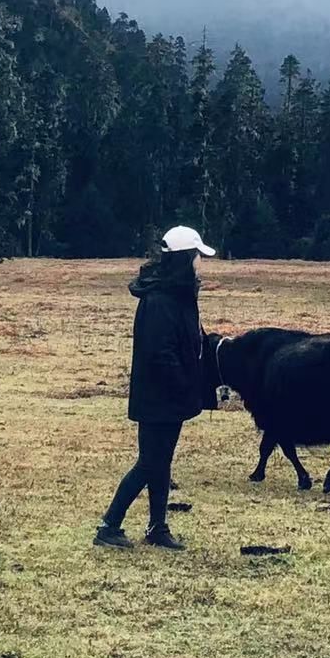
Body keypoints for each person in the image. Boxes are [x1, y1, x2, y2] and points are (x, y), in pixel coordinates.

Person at [94, 225, 218, 550]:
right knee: (150, 462)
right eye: (196, 257)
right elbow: (160, 353)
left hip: (169, 398)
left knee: (160, 462)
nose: (200, 264)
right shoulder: (161, 301)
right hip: (159, 398)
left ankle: (157, 528)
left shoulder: (177, 295)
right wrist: (183, 384)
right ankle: (109, 526)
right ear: (183, 260)